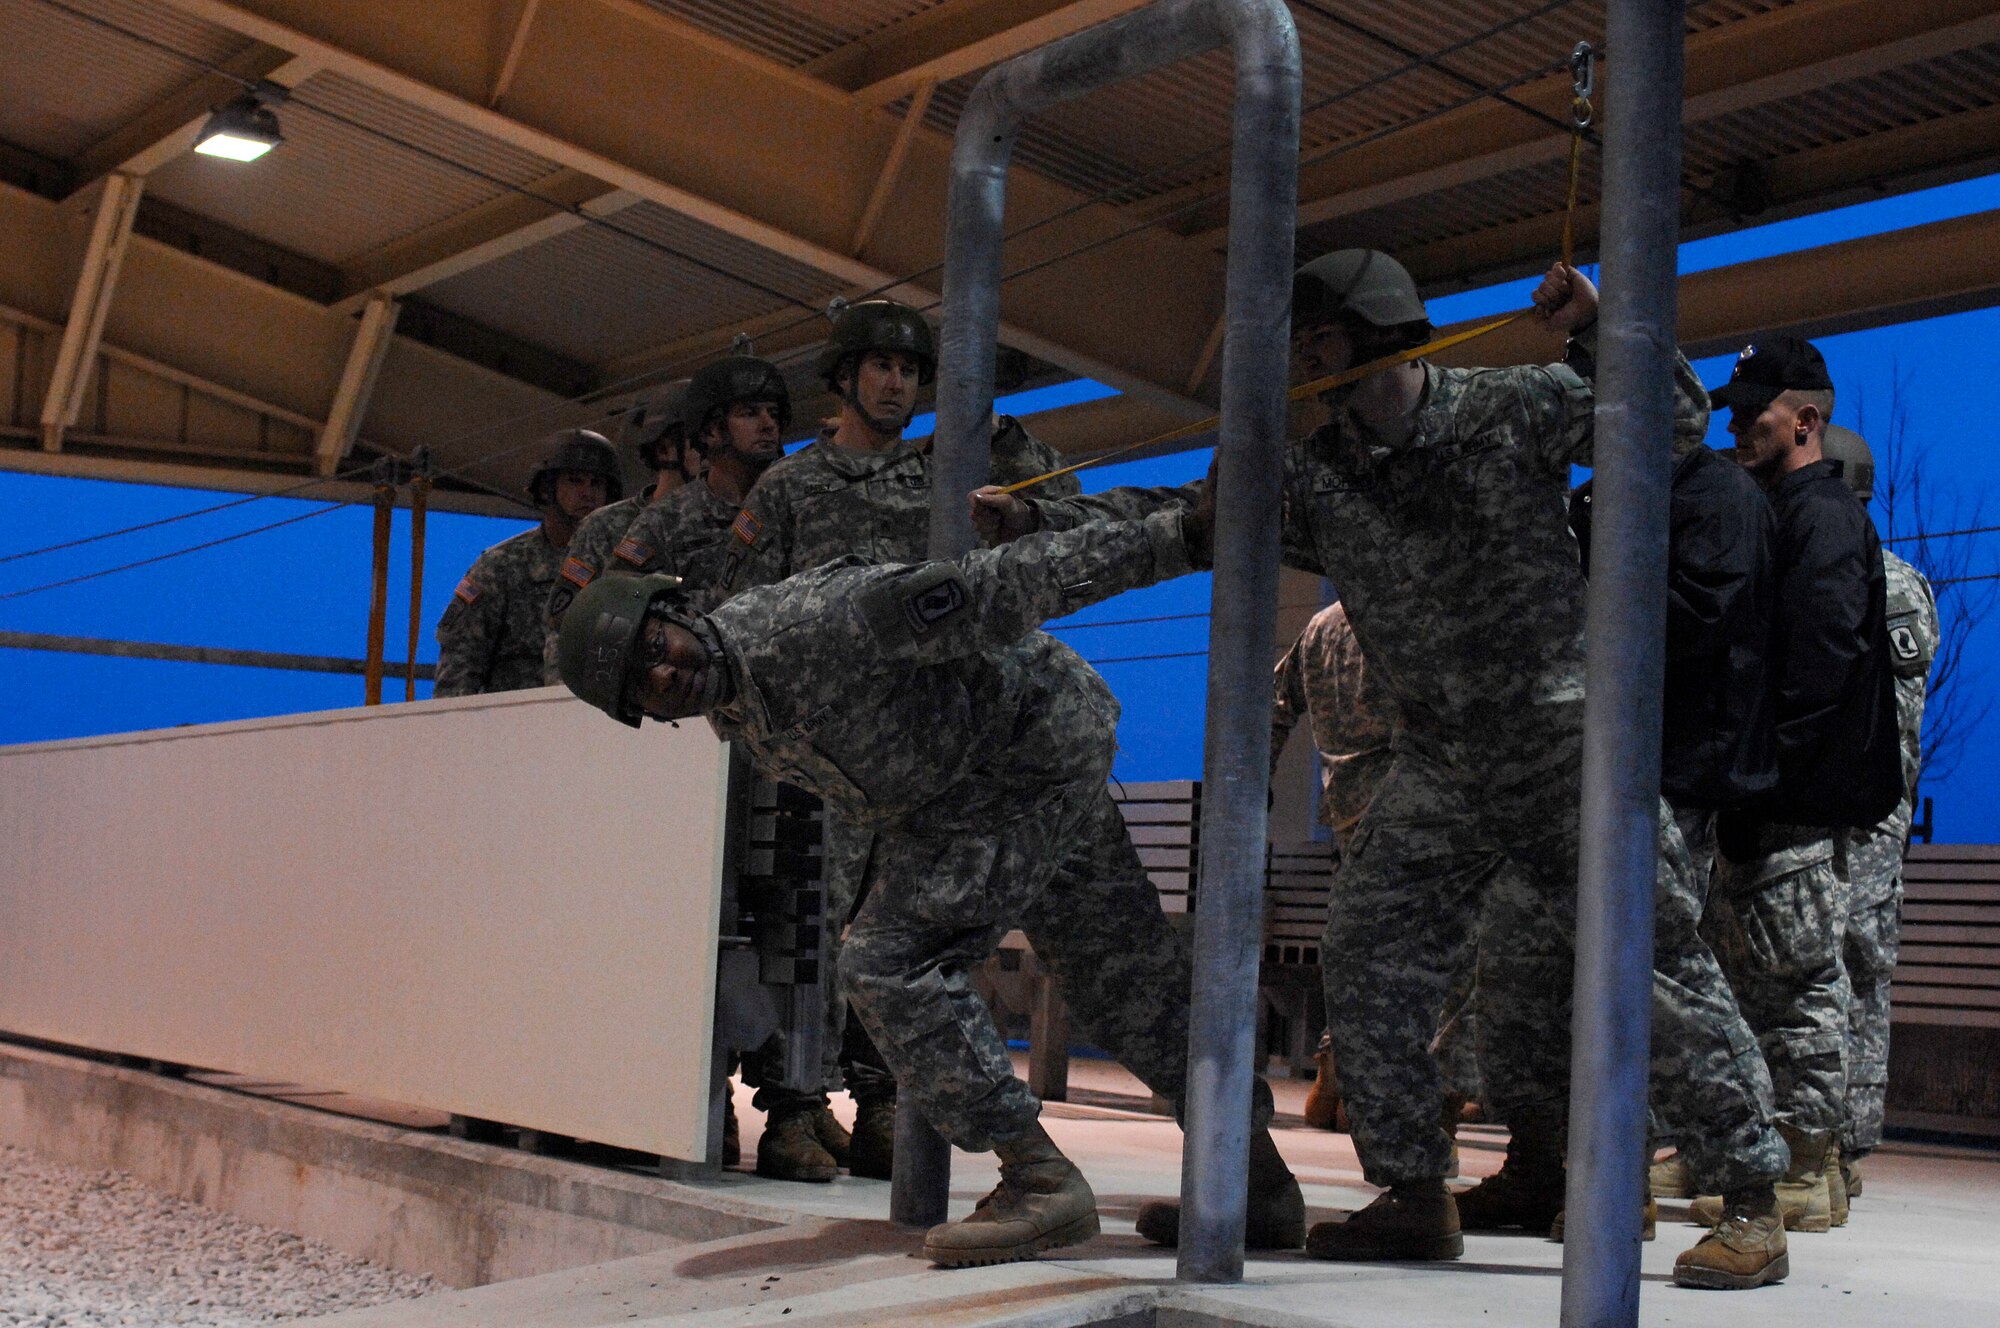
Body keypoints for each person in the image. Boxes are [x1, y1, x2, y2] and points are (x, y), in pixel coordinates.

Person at [973, 249, 1791, 1290]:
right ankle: (1413, 1189)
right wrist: (1039, 515)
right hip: (1441, 757)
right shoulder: (1319, 470)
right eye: (1298, 343)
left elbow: (1665, 421)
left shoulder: (1507, 407)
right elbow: (1188, 520)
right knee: (1364, 948)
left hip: (1559, 741)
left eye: (1320, 337)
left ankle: (1751, 1197)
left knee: (1650, 953)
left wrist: (1597, 326)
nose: (1306, 359)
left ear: (1382, 331)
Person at [556, 501, 1302, 1268]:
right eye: (642, 684)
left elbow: (1001, 585)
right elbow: (868, 803)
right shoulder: (743, 703)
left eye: (658, 644)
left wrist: (1176, 540)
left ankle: (1040, 1179)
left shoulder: (809, 625)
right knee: (1127, 985)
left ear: (677, 609)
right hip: (1012, 773)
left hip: (1024, 761)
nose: (666, 671)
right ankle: (1257, 1186)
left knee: (885, 963)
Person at [711, 301, 1082, 1185]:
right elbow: (738, 615)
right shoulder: (793, 490)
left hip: (934, 757)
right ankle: (795, 1112)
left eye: (911, 371)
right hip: (825, 761)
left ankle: (886, 1105)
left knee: (909, 937)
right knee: (814, 933)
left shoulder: (947, 473)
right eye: (879, 366)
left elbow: (1061, 511)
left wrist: (996, 426)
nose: (896, 383)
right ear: (842, 378)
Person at [605, 352, 848, 1182]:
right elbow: (602, 630)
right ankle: (697, 1104)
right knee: (702, 941)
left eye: (774, 411)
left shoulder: (797, 512)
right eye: (749, 413)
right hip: (698, 772)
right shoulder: (667, 530)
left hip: (793, 754)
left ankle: (794, 1113)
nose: (768, 424)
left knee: (802, 936)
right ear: (710, 431)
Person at [1686, 340, 1903, 1236]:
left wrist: (1762, 779)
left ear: (1806, 419)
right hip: (1779, 793)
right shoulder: (1787, 512)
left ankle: (1810, 1164)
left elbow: (1818, 667)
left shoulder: (1817, 520)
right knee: (1767, 980)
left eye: (1752, 410)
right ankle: (1797, 1157)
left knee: (1799, 980)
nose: (1735, 424)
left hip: (1794, 799)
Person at [1269, 605, 1479, 1141]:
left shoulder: (1321, 627)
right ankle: (1430, 1110)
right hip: (1416, 811)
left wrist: (1256, 777)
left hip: (1349, 810)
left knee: (1362, 958)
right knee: (1444, 964)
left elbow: (1273, 703)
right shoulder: (1414, 616)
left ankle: (1339, 1075)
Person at [1820, 425, 1938, 1206]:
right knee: (1839, 970)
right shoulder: (1886, 578)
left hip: (1863, 812)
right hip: (1859, 809)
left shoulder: (1880, 584)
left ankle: (1835, 1144)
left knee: (1845, 968)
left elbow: (1890, 725)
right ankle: (1826, 1140)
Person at [434, 429, 619, 697]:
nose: (587, 493)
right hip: (514, 724)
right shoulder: (502, 565)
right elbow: (460, 661)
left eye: (596, 484)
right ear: (547, 488)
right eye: (575, 481)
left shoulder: (619, 566)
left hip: (597, 721)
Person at [540, 394, 695, 682]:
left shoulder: (725, 521)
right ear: (664, 450)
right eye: (698, 440)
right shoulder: (604, 527)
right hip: (620, 693)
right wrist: (562, 700)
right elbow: (566, 624)